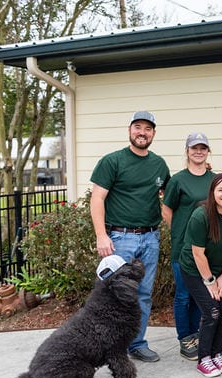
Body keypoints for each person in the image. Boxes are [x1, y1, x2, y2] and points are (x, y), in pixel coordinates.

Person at [90, 110, 170, 363]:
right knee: (114, 294)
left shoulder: (159, 164)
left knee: (143, 294)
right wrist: (101, 236)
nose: (142, 132)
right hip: (120, 238)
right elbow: (97, 198)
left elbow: (171, 196)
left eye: (147, 129)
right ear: (129, 130)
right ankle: (108, 347)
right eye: (138, 127)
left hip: (150, 238)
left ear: (153, 134)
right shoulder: (112, 161)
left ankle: (136, 343)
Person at [179, 173, 222, 377]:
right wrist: (209, 282)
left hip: (220, 270)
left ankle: (217, 354)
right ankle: (204, 358)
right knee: (212, 312)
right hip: (196, 270)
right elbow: (197, 254)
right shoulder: (201, 215)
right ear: (213, 192)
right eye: (221, 190)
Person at [162, 132, 215, 361]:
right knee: (184, 295)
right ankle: (186, 338)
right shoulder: (178, 180)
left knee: (199, 295)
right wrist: (181, 232)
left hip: (205, 248)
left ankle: (196, 334)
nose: (199, 151)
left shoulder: (214, 179)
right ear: (187, 151)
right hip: (182, 248)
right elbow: (166, 209)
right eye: (194, 148)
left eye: (203, 148)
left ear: (207, 151)